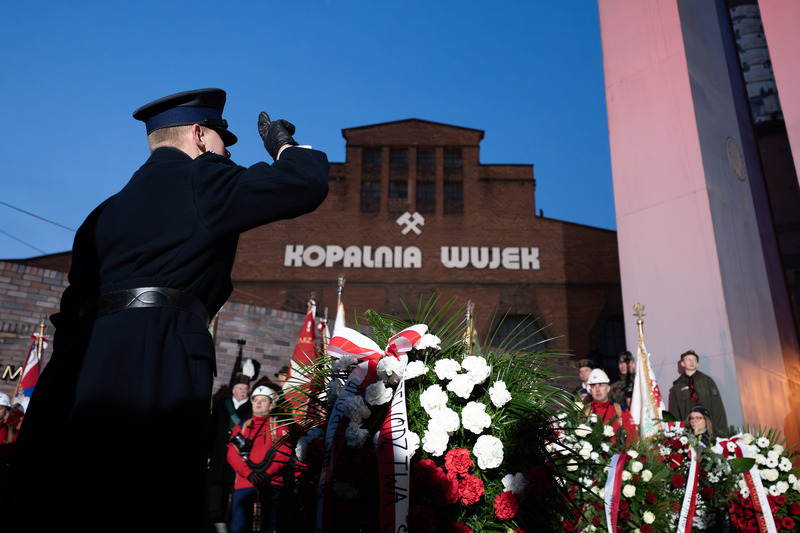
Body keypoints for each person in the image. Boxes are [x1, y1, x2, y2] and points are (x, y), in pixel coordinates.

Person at [0, 88, 329, 532]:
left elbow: (70, 311)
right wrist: (286, 147)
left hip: (80, 367)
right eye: (222, 140)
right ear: (198, 134)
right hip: (161, 353)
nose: (227, 151)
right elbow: (303, 184)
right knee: (150, 494)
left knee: (72, 495)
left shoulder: (102, 212)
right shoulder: (204, 180)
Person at [227, 382, 293, 533]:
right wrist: (249, 473)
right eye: (256, 400)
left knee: (268, 527)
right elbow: (232, 454)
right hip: (244, 484)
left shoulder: (279, 426)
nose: (258, 403)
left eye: (263, 400)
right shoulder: (242, 426)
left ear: (271, 405)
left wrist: (267, 474)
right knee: (239, 527)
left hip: (271, 484)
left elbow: (284, 453)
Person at [208, 361, 256, 531]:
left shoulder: (251, 408)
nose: (244, 391)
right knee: (217, 486)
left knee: (234, 487)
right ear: (234, 389)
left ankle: (232, 518)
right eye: (241, 388)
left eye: (246, 389)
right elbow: (212, 428)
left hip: (238, 453)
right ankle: (216, 518)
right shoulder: (222, 405)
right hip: (219, 452)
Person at [669, 349, 728, 436]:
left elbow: (717, 407)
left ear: (697, 364)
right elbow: (676, 411)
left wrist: (720, 431)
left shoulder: (707, 381)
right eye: (688, 359)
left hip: (709, 430)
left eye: (694, 360)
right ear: (682, 363)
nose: (691, 362)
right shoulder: (677, 386)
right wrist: (679, 434)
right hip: (688, 431)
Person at [585, 368, 637, 445]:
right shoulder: (584, 413)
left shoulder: (621, 411)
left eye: (601, 385)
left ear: (608, 388)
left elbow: (633, 439)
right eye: (593, 386)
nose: (597, 389)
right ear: (590, 391)